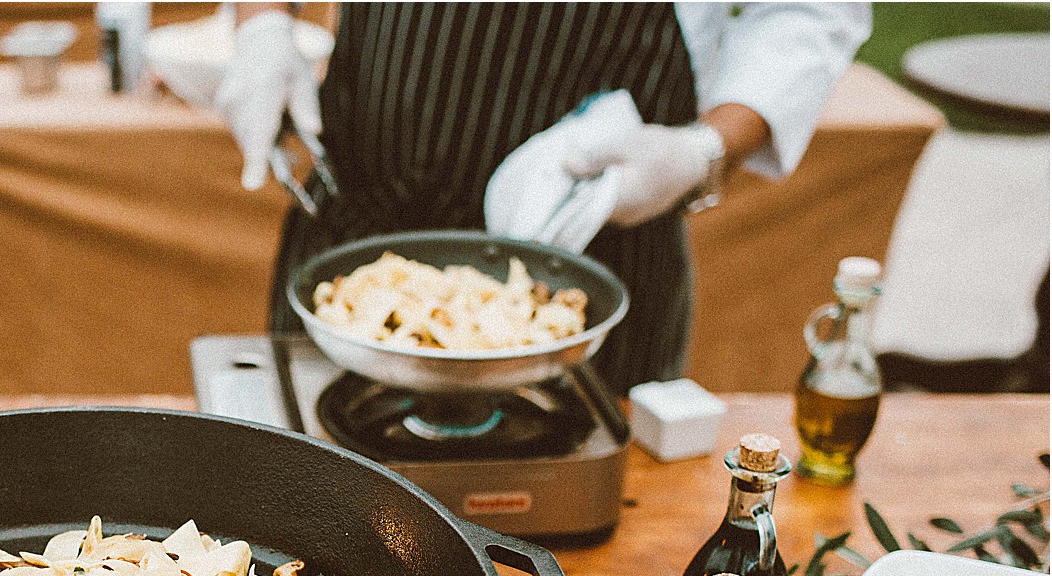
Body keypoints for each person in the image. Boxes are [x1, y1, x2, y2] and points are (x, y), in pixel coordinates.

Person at [218, 2, 871, 395]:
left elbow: (807, 11)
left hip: (592, 265)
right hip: (361, 236)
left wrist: (704, 148)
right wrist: (263, 28)